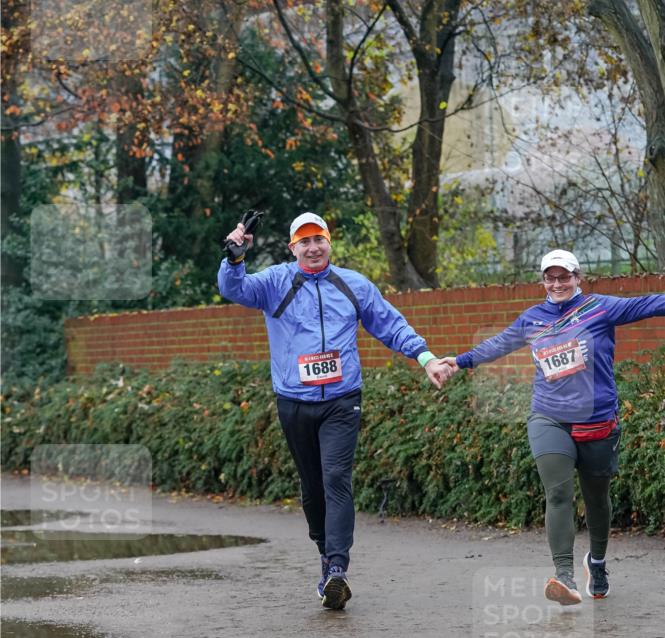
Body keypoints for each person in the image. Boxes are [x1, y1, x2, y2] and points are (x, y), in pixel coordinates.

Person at [219, 211, 447, 610]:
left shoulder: (352, 284)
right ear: (293, 249)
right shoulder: (275, 282)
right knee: (312, 488)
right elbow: (233, 289)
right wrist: (235, 258)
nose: (312, 248)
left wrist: (425, 357)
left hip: (342, 400)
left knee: (337, 477)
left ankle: (339, 569)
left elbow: (390, 324)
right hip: (294, 401)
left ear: (329, 243)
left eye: (318, 240)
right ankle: (325, 557)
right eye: (303, 242)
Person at [434, 249, 665, 605]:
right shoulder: (532, 319)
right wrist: (460, 361)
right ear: (543, 281)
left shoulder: (600, 308)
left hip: (597, 419)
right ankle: (564, 577)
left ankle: (597, 562)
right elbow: (499, 344)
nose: (557, 283)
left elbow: (648, 304)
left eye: (564, 276)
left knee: (597, 499)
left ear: (577, 277)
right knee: (557, 493)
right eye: (550, 277)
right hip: (549, 416)